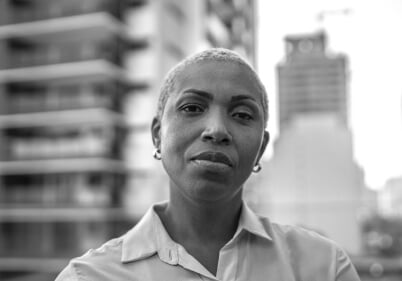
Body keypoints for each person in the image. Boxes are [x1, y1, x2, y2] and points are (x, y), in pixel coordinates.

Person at [55, 48, 361, 281]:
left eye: (242, 114)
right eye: (192, 107)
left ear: (261, 149)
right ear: (158, 135)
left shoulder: (323, 267)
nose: (216, 130)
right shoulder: (89, 277)